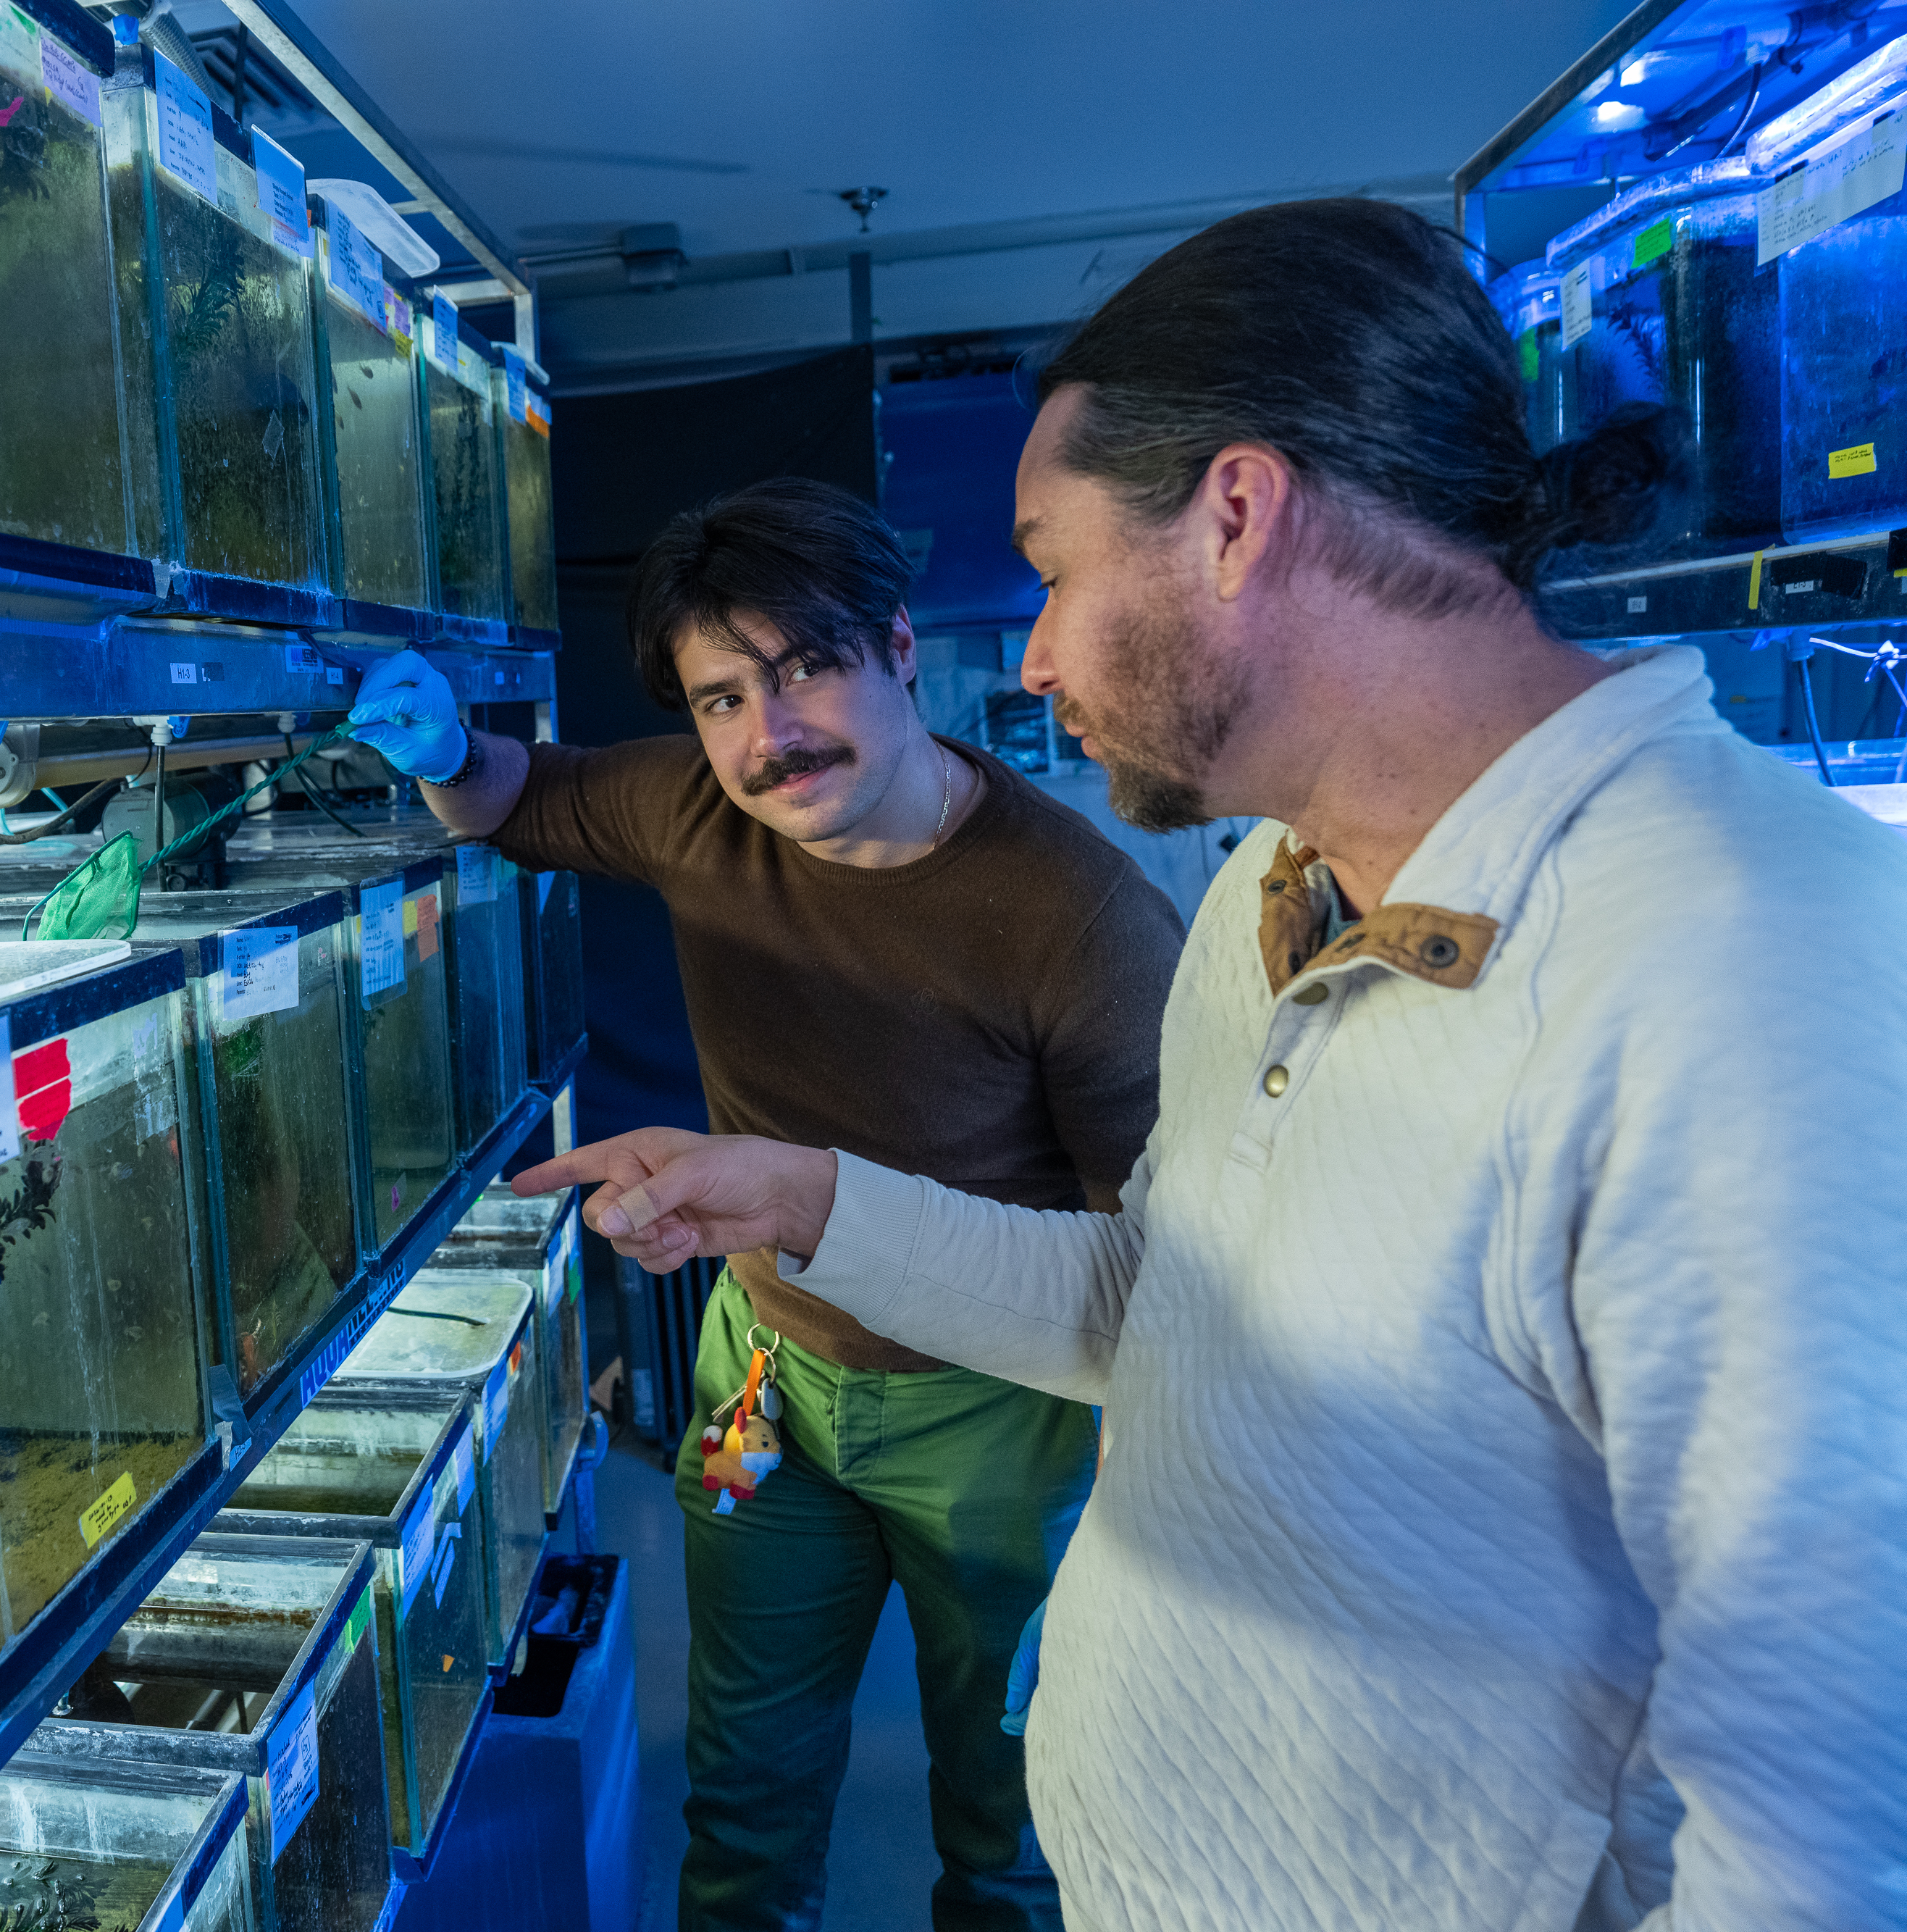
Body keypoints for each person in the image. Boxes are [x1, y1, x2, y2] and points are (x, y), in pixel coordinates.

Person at [520, 198, 1907, 1931]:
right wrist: (802, 1196)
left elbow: (1822, 1816)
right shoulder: (1276, 882)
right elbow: (1156, 1297)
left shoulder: (1753, 961)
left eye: (1050, 568)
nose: (1022, 656)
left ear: (1235, 516)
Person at [345, 478, 1187, 1931]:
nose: (767, 732)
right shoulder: (694, 805)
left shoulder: (1079, 916)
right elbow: (517, 798)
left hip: (995, 1409)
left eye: (805, 668)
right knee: (743, 1789)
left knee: (1018, 1804)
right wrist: (436, 750)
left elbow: (1148, 1266)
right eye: (720, 695)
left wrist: (1139, 1476)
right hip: (767, 1377)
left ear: (901, 646)